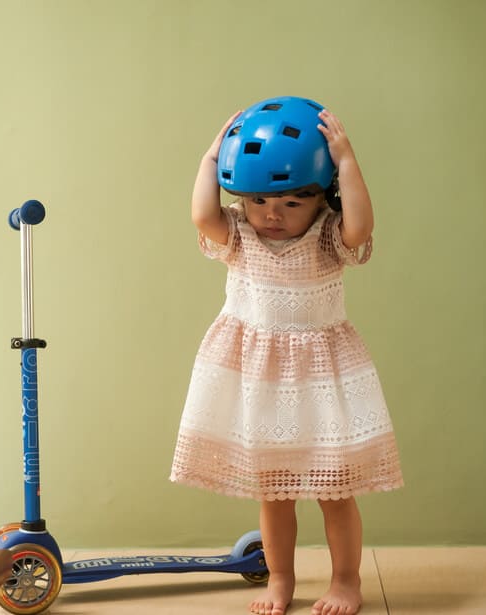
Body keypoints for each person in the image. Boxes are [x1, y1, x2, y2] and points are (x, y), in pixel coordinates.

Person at [170, 96, 404, 615]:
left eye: (292, 203)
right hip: (258, 382)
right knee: (274, 493)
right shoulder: (239, 235)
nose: (271, 214)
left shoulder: (327, 237)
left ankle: (346, 581)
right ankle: (280, 580)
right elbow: (202, 214)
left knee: (335, 492)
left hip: (319, 381)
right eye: (258, 202)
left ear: (323, 197)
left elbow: (360, 228)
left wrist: (347, 161)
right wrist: (212, 158)